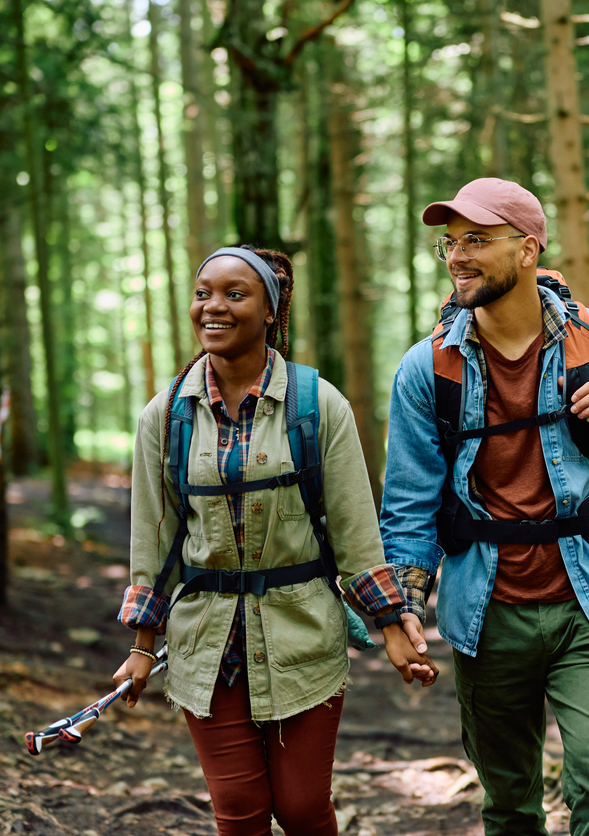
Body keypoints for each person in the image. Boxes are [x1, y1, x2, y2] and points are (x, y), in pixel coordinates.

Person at [113, 245, 435, 836]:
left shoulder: (317, 406)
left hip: (302, 637)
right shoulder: (165, 418)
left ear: (271, 311)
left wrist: (393, 627)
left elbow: (356, 532)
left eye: (235, 295)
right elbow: (152, 544)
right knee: (238, 812)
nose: (213, 306)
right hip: (204, 645)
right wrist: (141, 646)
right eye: (203, 292)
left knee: (303, 807)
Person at [380, 178, 589, 835]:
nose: (457, 255)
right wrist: (401, 610)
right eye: (450, 243)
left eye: (477, 240)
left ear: (528, 249)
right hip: (487, 615)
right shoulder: (426, 370)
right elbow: (408, 503)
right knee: (510, 805)